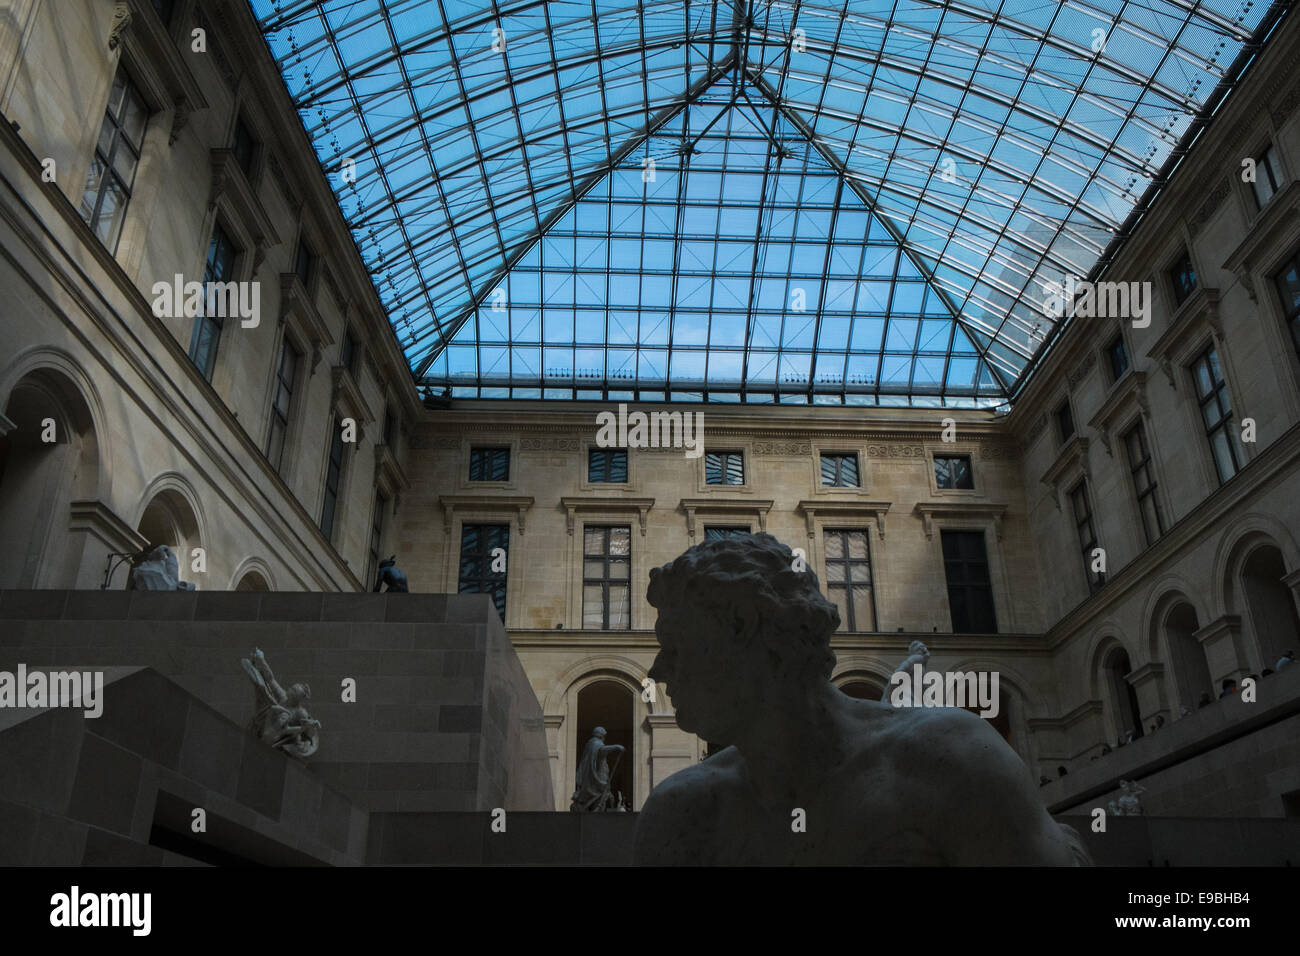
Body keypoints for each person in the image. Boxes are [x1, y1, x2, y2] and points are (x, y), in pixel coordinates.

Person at [633, 533, 1090, 865]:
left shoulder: (951, 758)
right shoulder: (682, 811)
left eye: (675, 646)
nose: (658, 670)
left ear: (740, 626)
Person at [570, 727, 624, 812]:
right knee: (603, 792)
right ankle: (596, 809)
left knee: (603, 794)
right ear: (601, 735)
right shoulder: (595, 743)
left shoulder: (591, 744)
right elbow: (602, 750)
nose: (604, 738)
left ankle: (596, 808)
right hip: (598, 776)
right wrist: (616, 747)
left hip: (598, 774)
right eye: (604, 736)